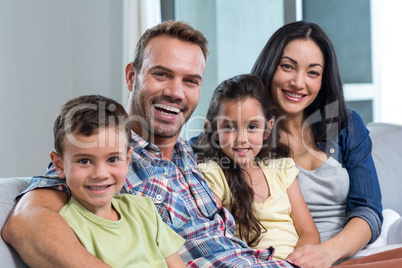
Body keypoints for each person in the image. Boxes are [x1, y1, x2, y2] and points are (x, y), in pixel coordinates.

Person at [2, 21, 297, 268]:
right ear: (132, 76)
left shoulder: (193, 154)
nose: (175, 92)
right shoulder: (105, 159)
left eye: (190, 81)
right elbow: (25, 223)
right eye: (161, 74)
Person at [250, 20, 402, 267]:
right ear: (269, 67)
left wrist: (328, 252)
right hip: (296, 259)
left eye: (313, 72)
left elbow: (367, 209)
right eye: (287, 67)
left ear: (323, 80)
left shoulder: (346, 125)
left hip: (351, 249)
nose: (299, 83)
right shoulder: (246, 134)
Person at [49, 94, 186, 267]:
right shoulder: (64, 227)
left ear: (127, 160)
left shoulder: (144, 210)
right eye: (84, 161)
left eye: (113, 159)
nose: (100, 174)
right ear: (59, 165)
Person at [196, 74, 319, 260]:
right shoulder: (214, 174)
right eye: (229, 127)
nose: (241, 139)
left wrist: (292, 264)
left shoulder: (281, 169)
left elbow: (309, 233)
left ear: (267, 129)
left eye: (252, 127)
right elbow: (213, 238)